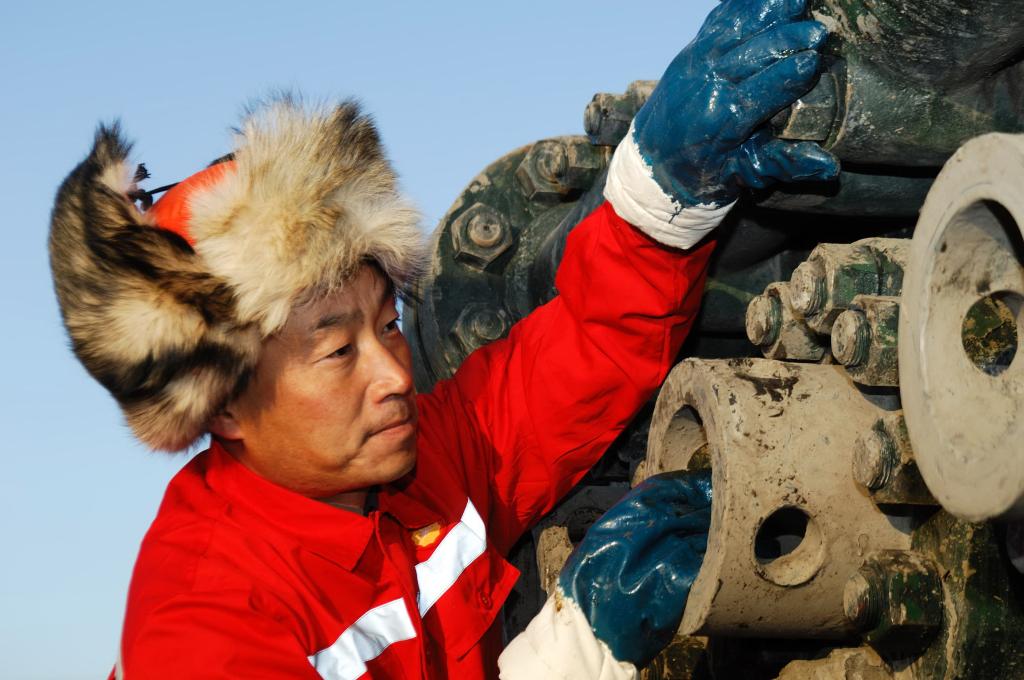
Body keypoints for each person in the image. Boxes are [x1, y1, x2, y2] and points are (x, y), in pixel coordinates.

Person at [47, 0, 837, 677]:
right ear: (224, 407)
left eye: (388, 324)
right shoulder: (203, 627)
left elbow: (589, 345)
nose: (394, 374)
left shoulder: (424, 463)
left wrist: (663, 185)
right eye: (337, 351)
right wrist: (582, 644)